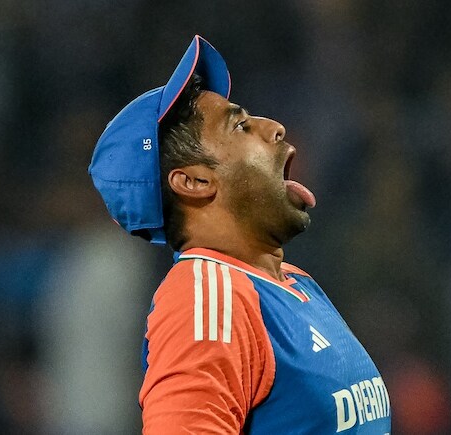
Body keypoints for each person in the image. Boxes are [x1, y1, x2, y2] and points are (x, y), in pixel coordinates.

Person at [89, 35, 391, 434]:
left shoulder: (291, 283)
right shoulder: (206, 298)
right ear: (195, 181)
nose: (275, 127)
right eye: (241, 126)